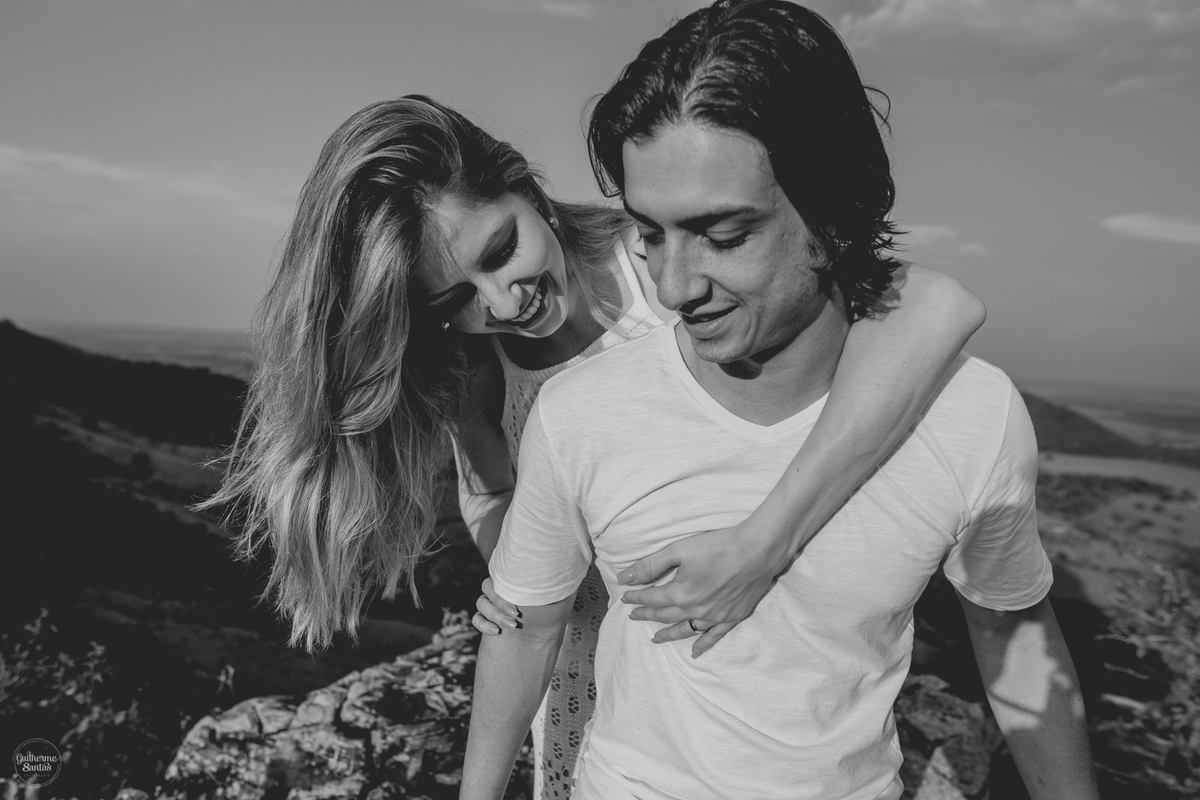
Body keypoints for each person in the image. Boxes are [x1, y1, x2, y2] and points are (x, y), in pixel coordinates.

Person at [202, 92, 983, 800]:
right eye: (455, 301)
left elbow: (939, 304)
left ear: (523, 184)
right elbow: (506, 512)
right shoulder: (478, 370)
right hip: (589, 680)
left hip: (768, 674)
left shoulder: (664, 264)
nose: (504, 302)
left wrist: (764, 538)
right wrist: (515, 570)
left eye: (502, 248)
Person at [460, 2, 1101, 799]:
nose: (672, 287)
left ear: (833, 218)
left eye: (724, 236)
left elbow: (1009, 626)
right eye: (651, 235)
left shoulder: (971, 417)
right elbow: (527, 631)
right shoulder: (580, 413)